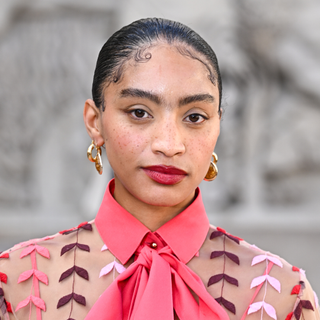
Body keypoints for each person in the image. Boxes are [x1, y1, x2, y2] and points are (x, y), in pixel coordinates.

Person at [0, 17, 319, 320]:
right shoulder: (16, 283)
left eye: (195, 117)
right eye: (139, 112)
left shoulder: (281, 295)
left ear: (218, 126)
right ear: (95, 122)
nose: (169, 144)